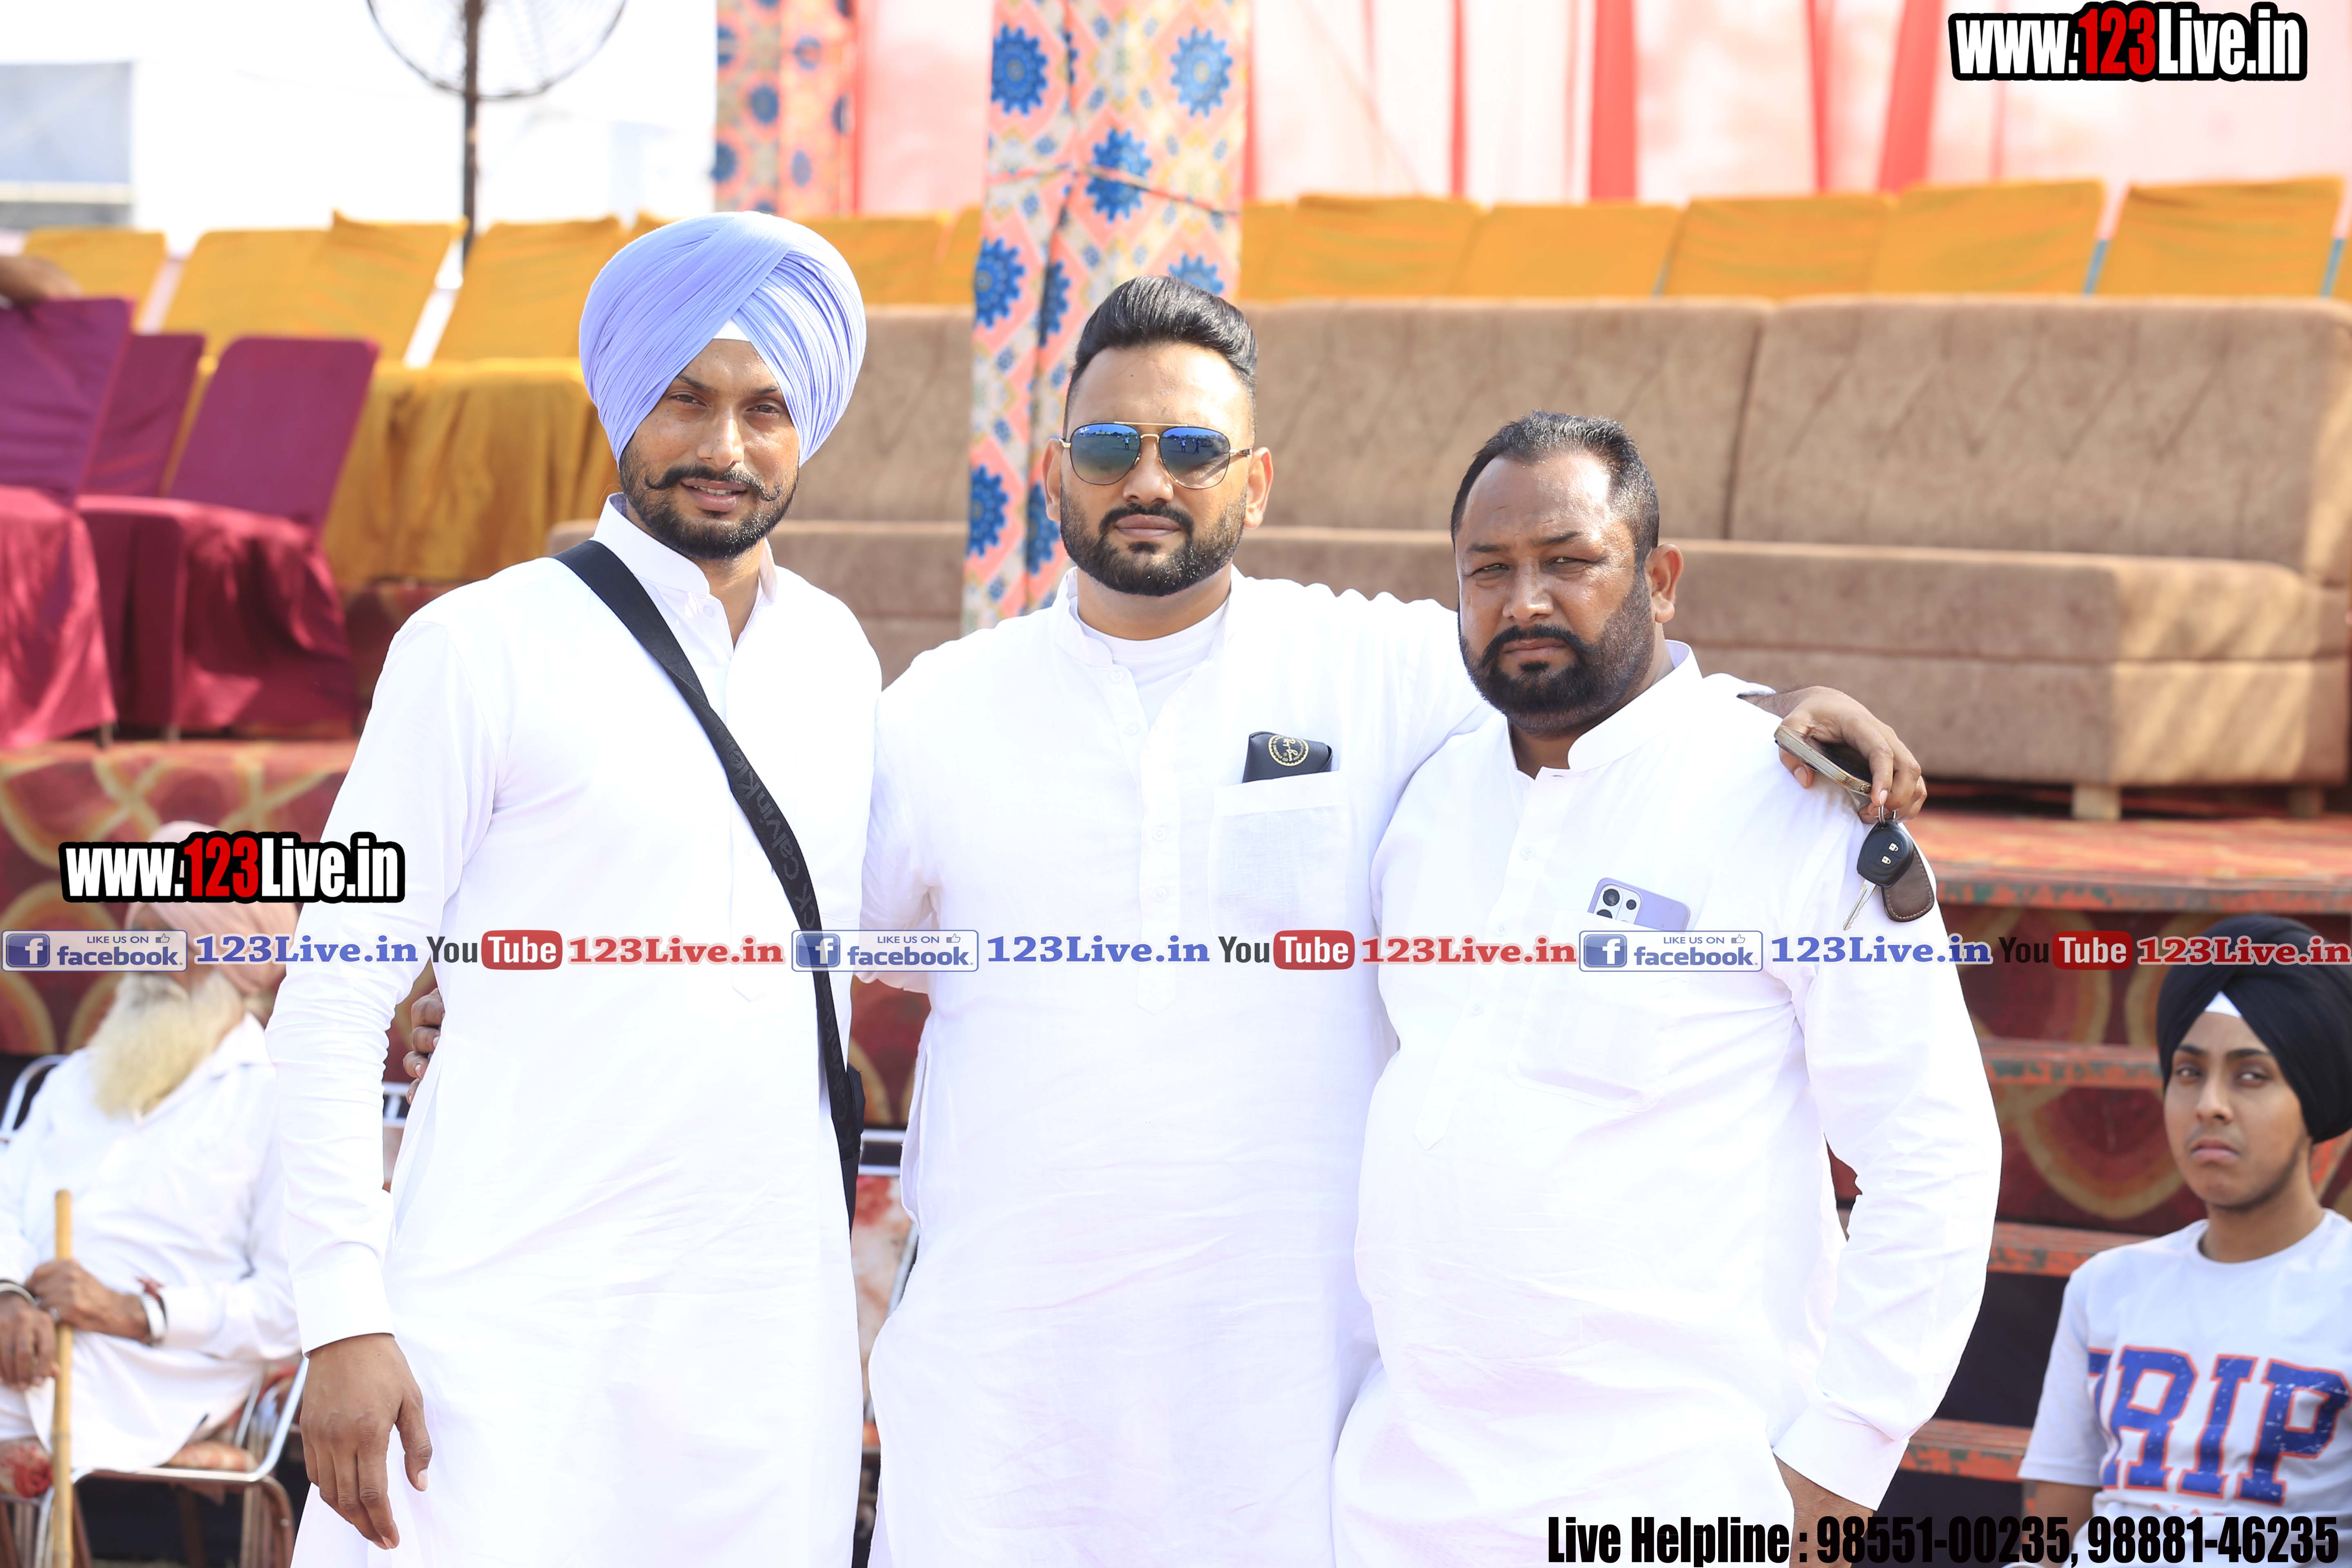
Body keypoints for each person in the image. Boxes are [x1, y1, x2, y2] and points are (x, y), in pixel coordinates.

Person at [408, 276, 1919, 1565]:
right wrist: (471, 963)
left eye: (1193, 448)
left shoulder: (1381, 671)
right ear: (1051, 472)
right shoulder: (937, 710)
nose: (1150, 477)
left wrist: (1777, 716)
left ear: (1254, 484)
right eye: (1111, 446)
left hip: (1283, 1392)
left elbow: (1585, 668)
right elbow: (758, 921)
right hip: (1002, 1390)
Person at [267, 211, 878, 1565]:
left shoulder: (839, 659)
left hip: (762, 1350)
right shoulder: (479, 647)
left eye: (766, 409)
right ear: (622, 402)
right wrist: (343, 1318)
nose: (725, 447)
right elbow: (331, 1005)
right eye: (686, 398)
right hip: (506, 1334)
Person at [1334, 412, 2002, 1560]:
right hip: (1408, 1500)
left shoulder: (1792, 803)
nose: (1526, 601)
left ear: (1661, 580)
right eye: (1489, 571)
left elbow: (1933, 1148)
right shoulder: (1427, 796)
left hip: (1681, 1498)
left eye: (1570, 560)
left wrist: (1842, 1462)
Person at [2019, 914, 2352, 1530]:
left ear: (2315, 1098)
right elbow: (2050, 1539)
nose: (2210, 1106)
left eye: (2252, 1076)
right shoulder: (2107, 1285)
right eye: (2189, 1073)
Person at [0, 836, 299, 1490]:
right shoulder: (75, 1079)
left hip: (153, 1375)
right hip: (21, 1335)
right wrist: (9, 1294)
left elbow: (289, 1307)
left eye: (167, 942)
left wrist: (130, 1311)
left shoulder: (280, 1101)